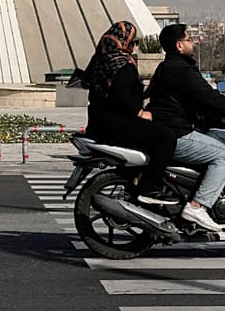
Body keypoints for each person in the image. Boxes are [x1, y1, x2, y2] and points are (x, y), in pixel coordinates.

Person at [143, 23, 225, 234]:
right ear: (179, 45)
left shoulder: (167, 66)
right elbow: (207, 96)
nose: (193, 43)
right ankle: (197, 206)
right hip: (177, 132)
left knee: (216, 139)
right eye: (189, 40)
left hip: (166, 129)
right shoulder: (182, 69)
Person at [68, 21, 180, 202]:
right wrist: (139, 112)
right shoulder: (123, 65)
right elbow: (121, 95)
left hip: (98, 123)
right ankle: (151, 188)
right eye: (133, 43)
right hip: (117, 124)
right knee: (166, 137)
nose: (134, 47)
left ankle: (138, 177)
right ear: (125, 43)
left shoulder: (99, 60)